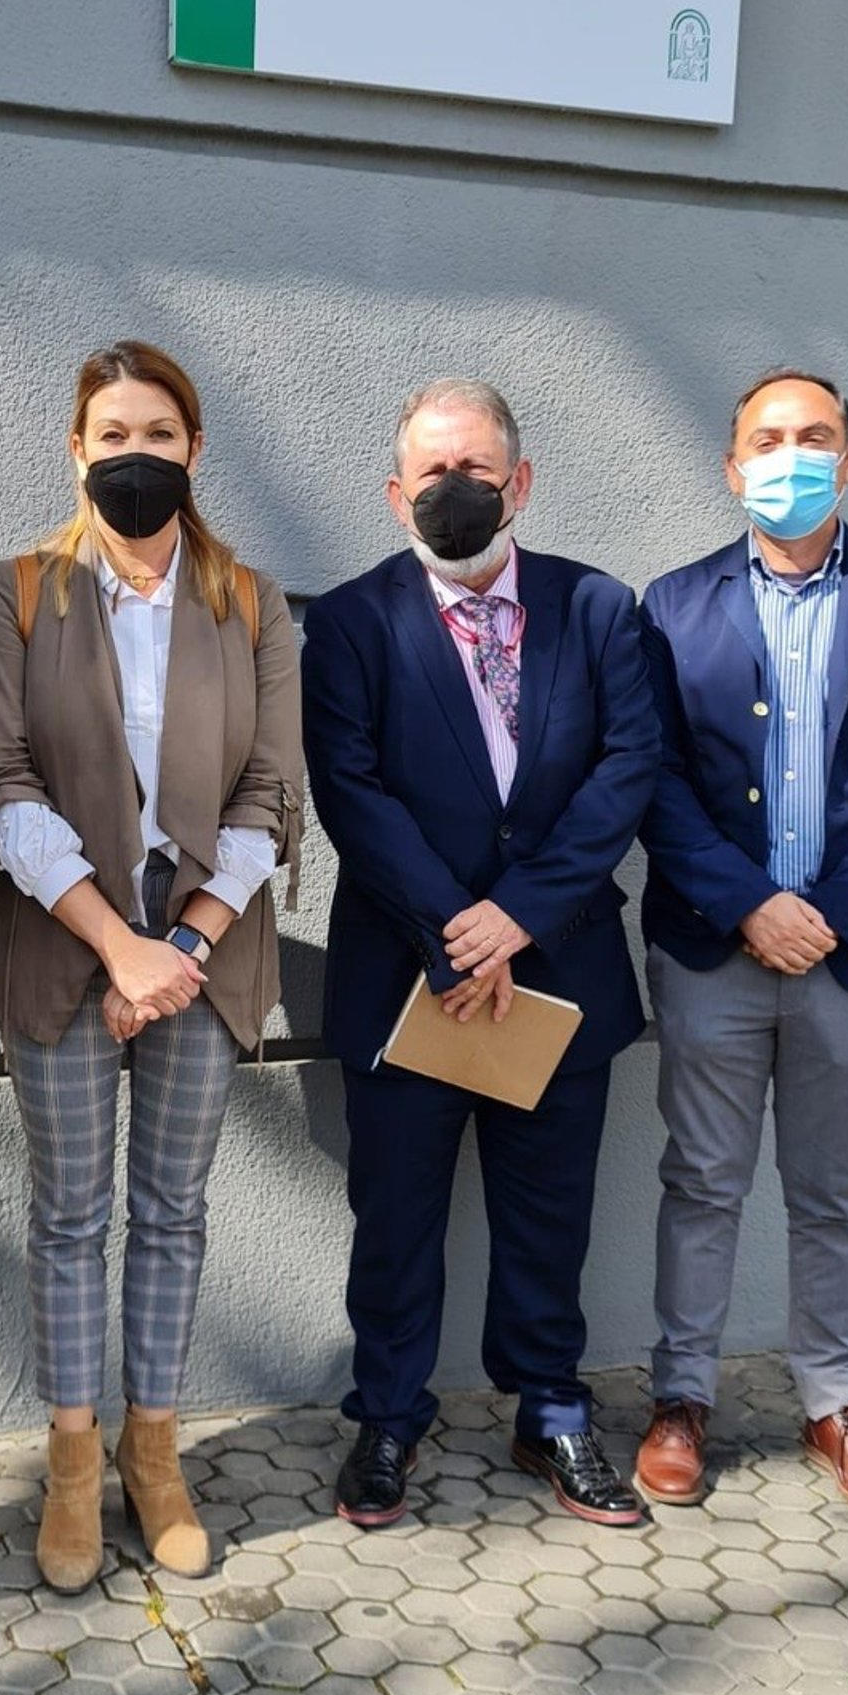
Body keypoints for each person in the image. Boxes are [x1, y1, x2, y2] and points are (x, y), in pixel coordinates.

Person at [0, 341, 302, 1593]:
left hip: (207, 943)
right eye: (113, 435)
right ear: (77, 450)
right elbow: (0, 782)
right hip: (64, 940)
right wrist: (119, 945)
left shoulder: (250, 603)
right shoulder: (21, 594)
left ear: (195, 449)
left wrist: (185, 944)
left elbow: (272, 787)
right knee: (68, 1211)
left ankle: (154, 1454)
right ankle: (71, 1460)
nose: (136, 455)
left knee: (171, 1208)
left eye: (159, 433)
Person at [302, 379, 661, 1531]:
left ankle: (551, 1409)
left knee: (550, 1219)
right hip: (408, 978)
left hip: (559, 971)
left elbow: (627, 770)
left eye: (477, 470)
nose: (455, 490)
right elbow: (350, 792)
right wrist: (457, 931)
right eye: (433, 473)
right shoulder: (351, 623)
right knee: (396, 1220)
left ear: (521, 483)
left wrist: (517, 917)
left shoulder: (599, 610)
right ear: (396, 492)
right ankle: (387, 1415)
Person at [637, 369, 848, 1513]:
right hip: (713, 949)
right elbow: (654, 776)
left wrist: (827, 909)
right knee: (701, 1182)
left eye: (815, 436)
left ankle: (834, 1403)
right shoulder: (672, 606)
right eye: (770, 439)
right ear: (734, 466)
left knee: (834, 1192)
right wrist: (750, 903)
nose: (792, 456)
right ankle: (681, 1398)